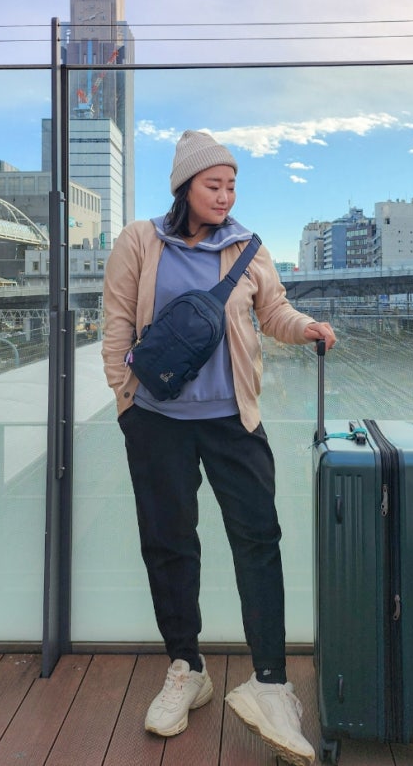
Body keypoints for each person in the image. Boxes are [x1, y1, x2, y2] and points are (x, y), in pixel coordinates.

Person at [102, 130, 336, 766]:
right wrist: (127, 403)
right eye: (214, 184)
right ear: (185, 186)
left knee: (258, 540)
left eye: (231, 185)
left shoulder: (248, 247)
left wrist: (306, 328)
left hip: (234, 421)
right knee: (169, 542)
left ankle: (270, 682)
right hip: (157, 421)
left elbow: (274, 313)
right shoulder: (140, 241)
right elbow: (117, 325)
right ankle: (187, 668)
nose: (225, 195)